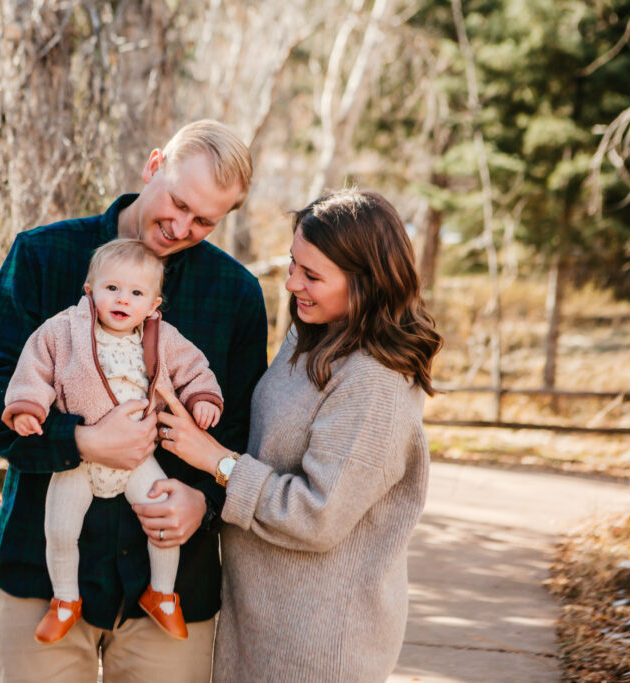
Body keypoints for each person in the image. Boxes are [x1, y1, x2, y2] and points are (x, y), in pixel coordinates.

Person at [0, 120, 268, 682]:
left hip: (175, 588)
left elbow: (248, 430)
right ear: (153, 167)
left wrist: (204, 502)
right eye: (176, 202)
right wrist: (78, 441)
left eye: (204, 220)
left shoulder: (236, 294)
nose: (180, 227)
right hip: (40, 578)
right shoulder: (43, 256)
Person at [151, 188, 443, 682]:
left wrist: (216, 461)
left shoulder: (374, 381)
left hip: (318, 640)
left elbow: (318, 514)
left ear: (366, 282)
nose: (291, 284)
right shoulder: (313, 337)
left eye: (311, 275)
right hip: (261, 620)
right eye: (293, 264)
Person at [2, 238, 223, 644]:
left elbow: (194, 368)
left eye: (136, 293)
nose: (123, 300)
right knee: (60, 528)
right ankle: (65, 601)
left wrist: (204, 398)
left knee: (162, 518)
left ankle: (162, 593)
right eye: (112, 289)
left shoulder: (161, 337)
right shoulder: (63, 330)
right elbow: (34, 367)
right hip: (79, 461)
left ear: (153, 305)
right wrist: (28, 408)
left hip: (139, 457)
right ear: (90, 291)